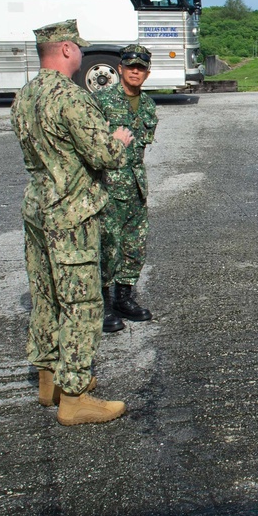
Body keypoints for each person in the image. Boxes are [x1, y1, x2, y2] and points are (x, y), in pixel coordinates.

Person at [10, 19, 132, 425]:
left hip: (37, 206)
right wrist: (120, 140)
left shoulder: (25, 94)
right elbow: (105, 156)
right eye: (78, 47)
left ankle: (50, 376)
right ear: (64, 49)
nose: (82, 54)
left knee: (45, 293)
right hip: (72, 211)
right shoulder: (71, 97)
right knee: (81, 302)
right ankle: (75, 395)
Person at [96, 44, 159, 333]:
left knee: (135, 246)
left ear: (147, 71)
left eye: (141, 67)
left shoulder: (147, 105)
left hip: (135, 186)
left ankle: (124, 297)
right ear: (119, 68)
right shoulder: (101, 101)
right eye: (130, 66)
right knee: (108, 245)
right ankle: (103, 304)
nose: (136, 71)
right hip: (108, 187)